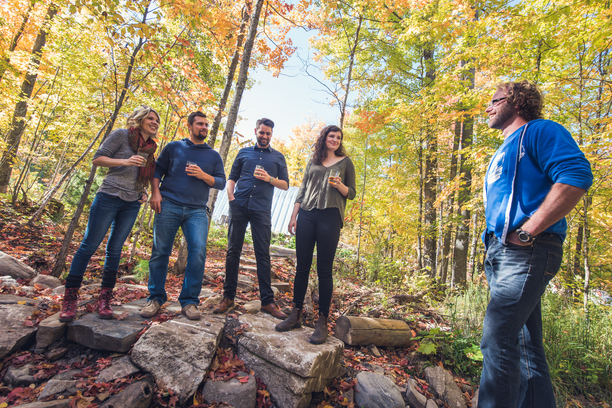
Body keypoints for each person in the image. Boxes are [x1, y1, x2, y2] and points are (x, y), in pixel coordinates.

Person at [479, 80, 593, 408]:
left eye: (495, 100)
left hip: (527, 249)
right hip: (503, 253)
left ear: (516, 102)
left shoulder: (540, 131)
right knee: (527, 347)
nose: (488, 106)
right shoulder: (503, 148)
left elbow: (575, 175)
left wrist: (528, 230)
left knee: (496, 339)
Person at [59, 106, 160, 322]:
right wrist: (125, 161)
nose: (154, 123)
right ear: (139, 119)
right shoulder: (121, 135)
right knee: (89, 245)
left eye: (157, 121)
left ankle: (104, 300)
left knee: (114, 251)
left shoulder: (151, 147)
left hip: (132, 202)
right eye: (151, 118)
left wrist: (144, 193)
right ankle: (70, 300)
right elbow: (97, 159)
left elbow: (144, 175)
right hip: (109, 196)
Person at [140, 111, 226, 321]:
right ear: (190, 126)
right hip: (169, 204)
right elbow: (157, 171)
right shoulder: (174, 147)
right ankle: (156, 298)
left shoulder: (213, 155)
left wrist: (203, 175)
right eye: (200, 124)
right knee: (160, 251)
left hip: (197, 210)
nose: (204, 128)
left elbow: (221, 183)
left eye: (206, 125)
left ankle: (189, 302)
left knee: (197, 252)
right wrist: (156, 193)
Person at [275, 125, 356, 344]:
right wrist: (294, 216)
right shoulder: (313, 162)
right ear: (324, 138)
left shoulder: (346, 162)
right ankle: (296, 314)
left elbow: (353, 193)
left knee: (324, 271)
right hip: (307, 215)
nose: (335, 140)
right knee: (302, 267)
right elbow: (302, 191)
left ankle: (322, 322)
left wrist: (340, 186)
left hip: (330, 217)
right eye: (332, 136)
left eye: (339, 138)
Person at [214, 118, 289, 319]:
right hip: (239, 205)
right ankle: (228, 297)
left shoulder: (278, 157)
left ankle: (267, 301)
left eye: (268, 134)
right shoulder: (243, 153)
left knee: (262, 254)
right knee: (233, 251)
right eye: (262, 132)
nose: (264, 136)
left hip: (261, 209)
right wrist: (231, 197)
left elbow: (285, 185)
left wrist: (269, 179)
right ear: (256, 131)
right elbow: (232, 177)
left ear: (272, 135)